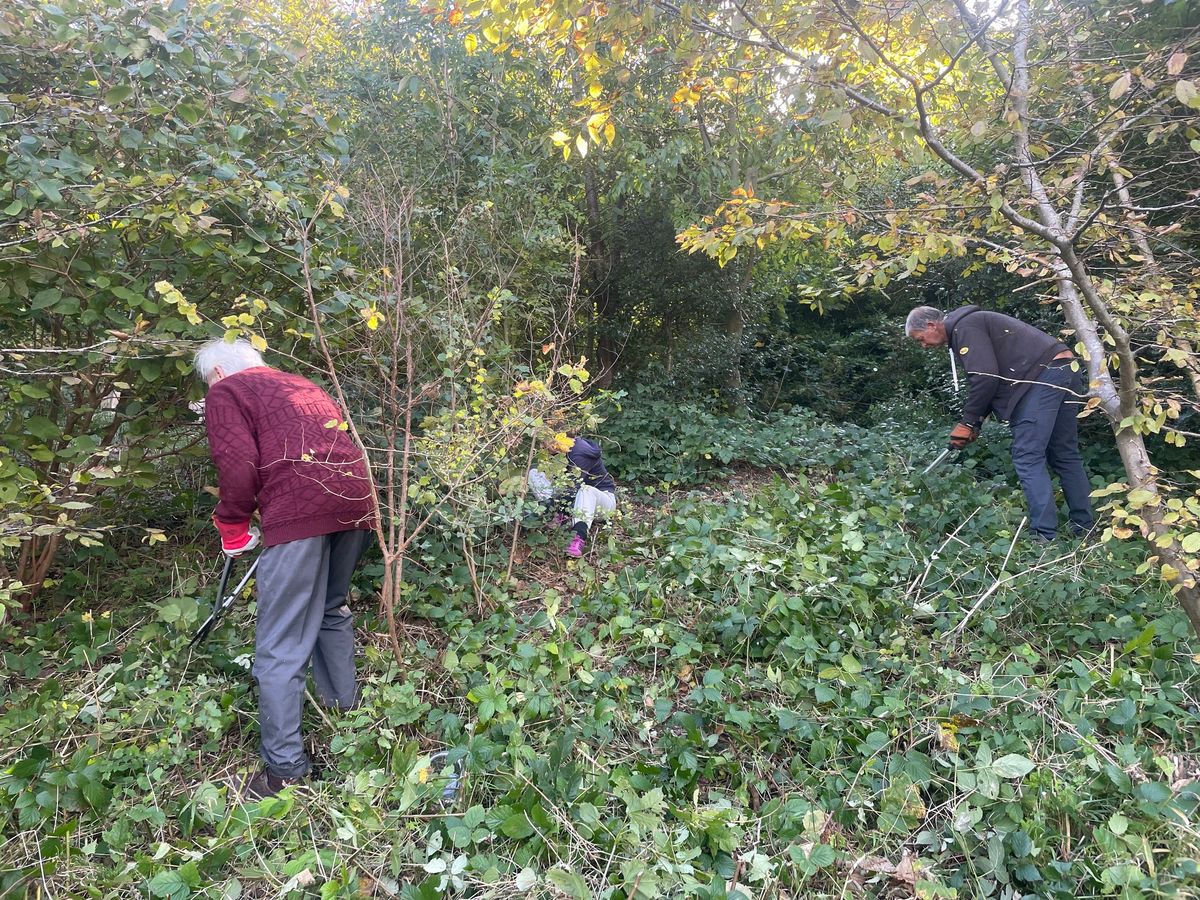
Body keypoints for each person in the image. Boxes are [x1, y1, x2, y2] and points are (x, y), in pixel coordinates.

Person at [195, 338, 376, 800]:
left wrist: (232, 521)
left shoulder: (226, 392)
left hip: (300, 510)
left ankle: (285, 771)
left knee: (279, 644)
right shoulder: (300, 384)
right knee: (330, 608)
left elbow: (237, 468)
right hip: (356, 501)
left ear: (217, 373)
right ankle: (345, 717)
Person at [905, 305, 1095, 542]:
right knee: (1065, 453)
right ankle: (1085, 530)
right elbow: (991, 378)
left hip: (1041, 376)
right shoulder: (970, 324)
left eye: (920, 339)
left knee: (1027, 455)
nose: (923, 345)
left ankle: (1044, 537)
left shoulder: (965, 327)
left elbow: (985, 378)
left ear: (931, 325)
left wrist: (967, 421)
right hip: (1065, 368)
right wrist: (976, 423)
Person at [529, 433, 617, 557]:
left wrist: (542, 508)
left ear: (558, 438)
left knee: (585, 490)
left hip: (601, 503)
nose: (541, 446)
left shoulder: (579, 451)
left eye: (544, 442)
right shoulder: (556, 453)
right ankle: (558, 517)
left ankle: (578, 536)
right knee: (534, 473)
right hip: (572, 501)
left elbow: (571, 490)